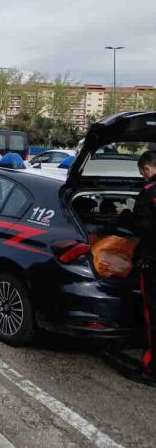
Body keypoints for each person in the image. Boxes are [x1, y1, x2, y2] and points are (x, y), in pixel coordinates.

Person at [117, 150, 156, 379]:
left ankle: (151, 369)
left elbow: (142, 228)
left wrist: (124, 215)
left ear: (147, 169)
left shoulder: (148, 194)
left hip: (152, 262)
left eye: (143, 174)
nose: (143, 177)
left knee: (153, 315)